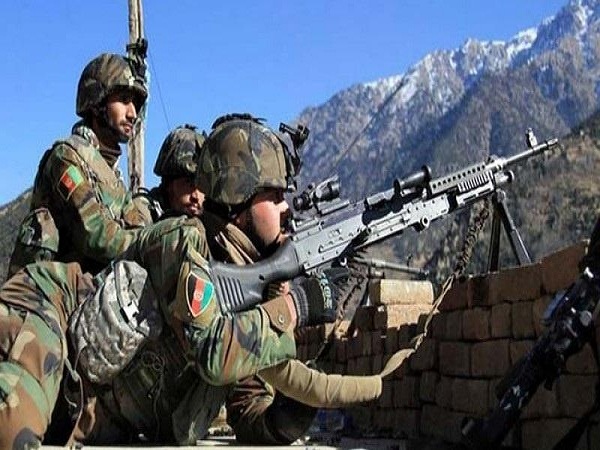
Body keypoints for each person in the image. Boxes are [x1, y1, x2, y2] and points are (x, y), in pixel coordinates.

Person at [7, 52, 151, 279]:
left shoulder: (113, 176)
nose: (132, 113)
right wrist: (152, 245)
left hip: (89, 289)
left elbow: (137, 227)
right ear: (97, 103)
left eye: (135, 103)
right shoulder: (66, 157)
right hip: (51, 290)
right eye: (124, 100)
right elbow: (95, 234)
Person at [140, 124, 206, 220]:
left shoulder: (208, 215)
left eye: (201, 185)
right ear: (169, 184)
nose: (196, 196)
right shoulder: (145, 209)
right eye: (189, 183)